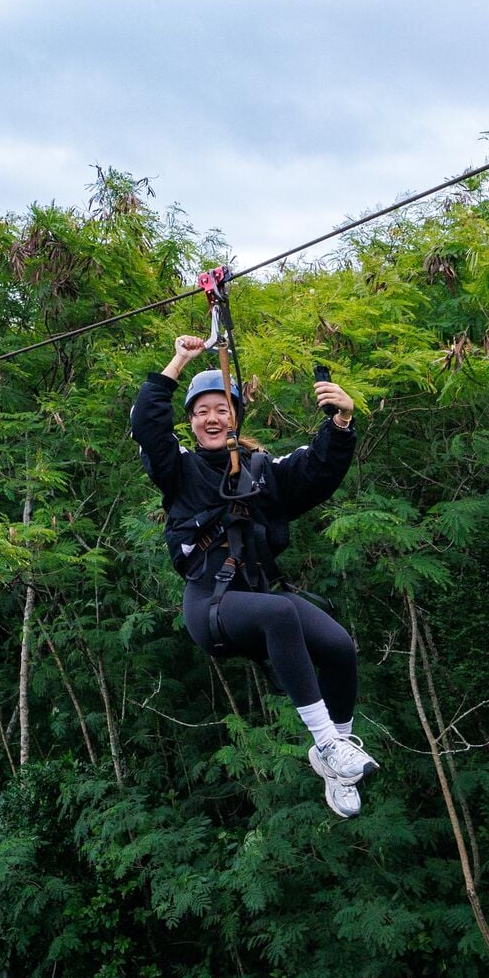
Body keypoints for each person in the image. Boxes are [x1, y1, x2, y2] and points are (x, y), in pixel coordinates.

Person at [128, 334, 376, 817]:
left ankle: (336, 758)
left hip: (259, 600)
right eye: (202, 411)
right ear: (193, 424)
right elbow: (147, 425)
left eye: (222, 408)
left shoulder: (264, 470)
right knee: (281, 613)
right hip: (210, 606)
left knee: (340, 648)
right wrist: (180, 359)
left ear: (236, 417)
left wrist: (342, 421)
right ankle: (326, 744)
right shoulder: (179, 471)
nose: (213, 417)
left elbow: (316, 471)